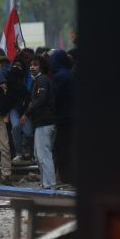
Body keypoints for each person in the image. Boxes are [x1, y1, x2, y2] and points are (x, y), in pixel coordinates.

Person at [20, 55, 57, 189]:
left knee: (44, 155)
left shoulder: (42, 80)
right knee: (39, 155)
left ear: (41, 66)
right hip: (43, 122)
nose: (32, 67)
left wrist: (26, 113)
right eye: (31, 65)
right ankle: (45, 183)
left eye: (35, 65)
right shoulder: (42, 80)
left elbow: (40, 99)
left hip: (45, 122)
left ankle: (49, 185)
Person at [50, 50, 76, 185]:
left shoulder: (59, 76)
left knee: (61, 149)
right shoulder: (70, 74)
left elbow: (56, 98)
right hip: (72, 117)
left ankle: (65, 178)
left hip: (63, 119)